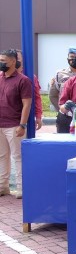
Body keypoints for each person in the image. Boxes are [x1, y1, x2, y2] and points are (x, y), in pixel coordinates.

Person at [0, 49, 31, 198]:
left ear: (13, 61)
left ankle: (21, 188)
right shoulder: (0, 78)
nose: (1, 63)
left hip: (14, 124)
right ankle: (3, 186)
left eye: (3, 61)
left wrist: (22, 125)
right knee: (2, 156)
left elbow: (27, 104)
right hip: (0, 124)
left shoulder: (23, 80)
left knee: (18, 157)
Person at [49, 48, 76, 133]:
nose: (74, 59)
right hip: (65, 116)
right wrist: (61, 109)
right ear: (67, 58)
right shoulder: (60, 74)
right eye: (72, 57)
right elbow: (53, 95)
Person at [15, 49, 43, 131]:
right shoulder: (2, 77)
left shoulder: (30, 77)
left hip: (26, 118)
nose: (14, 61)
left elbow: (36, 98)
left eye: (17, 59)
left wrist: (38, 116)